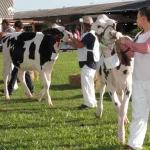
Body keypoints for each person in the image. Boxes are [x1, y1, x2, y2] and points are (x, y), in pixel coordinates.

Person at [119, 7, 150, 150]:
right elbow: (133, 54)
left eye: (137, 17)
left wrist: (128, 43)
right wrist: (122, 47)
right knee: (138, 114)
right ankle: (133, 144)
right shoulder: (138, 35)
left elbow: (146, 48)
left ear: (143, 19)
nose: (136, 20)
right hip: (138, 80)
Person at [69, 16, 100, 110]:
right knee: (89, 83)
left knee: (86, 83)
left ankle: (89, 103)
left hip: (89, 61)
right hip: (90, 61)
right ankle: (92, 102)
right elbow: (79, 46)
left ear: (84, 25)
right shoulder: (89, 34)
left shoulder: (90, 35)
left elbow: (79, 44)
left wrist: (73, 38)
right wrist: (72, 42)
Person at [2, 20, 34, 95]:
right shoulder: (25, 34)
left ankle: (9, 91)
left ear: (16, 27)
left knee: (16, 73)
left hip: (20, 57)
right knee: (25, 73)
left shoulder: (19, 35)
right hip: (25, 57)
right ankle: (31, 89)